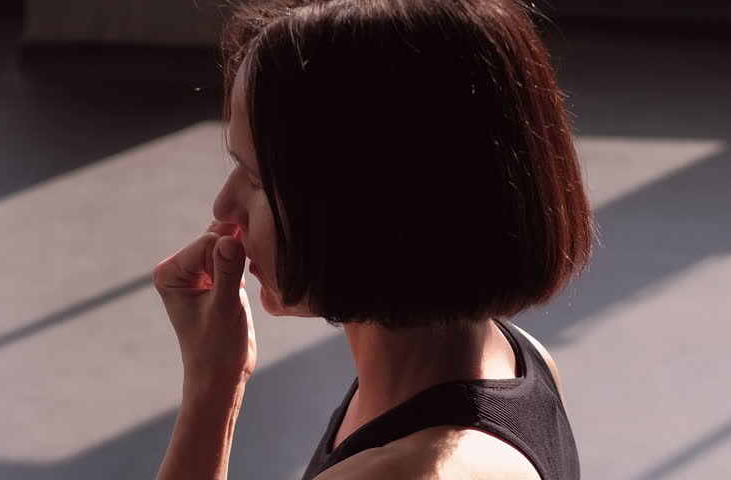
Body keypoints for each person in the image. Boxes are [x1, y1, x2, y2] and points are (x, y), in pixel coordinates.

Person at [151, 0, 595, 479]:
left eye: (258, 180)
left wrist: (210, 390)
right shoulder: (522, 358)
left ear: (367, 203)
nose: (224, 207)